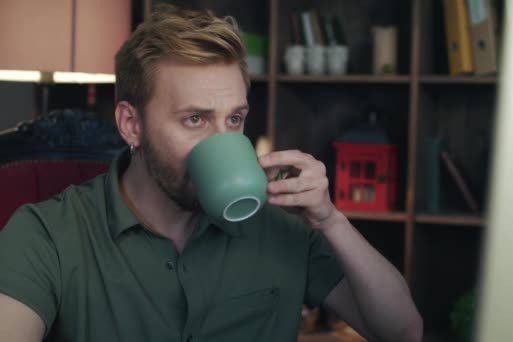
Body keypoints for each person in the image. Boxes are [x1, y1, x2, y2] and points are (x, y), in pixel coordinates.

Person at [0, 5, 422, 342]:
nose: (224, 140)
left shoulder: (283, 224)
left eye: (235, 119)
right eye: (195, 120)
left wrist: (330, 220)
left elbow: (401, 332)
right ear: (132, 124)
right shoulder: (48, 235)